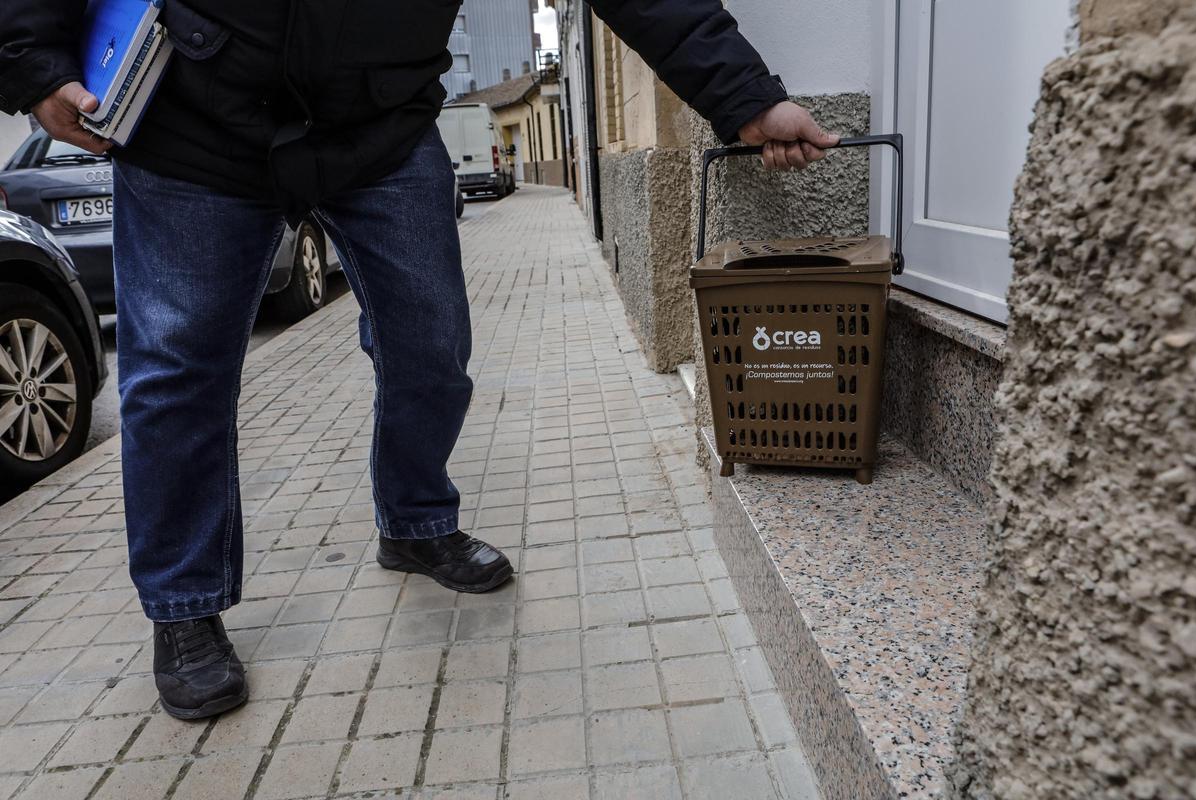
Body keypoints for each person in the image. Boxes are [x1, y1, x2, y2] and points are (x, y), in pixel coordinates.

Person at [0, 0, 839, 720]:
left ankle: (414, 522)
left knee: (433, 345)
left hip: (382, 127)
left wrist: (745, 99)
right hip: (197, 123)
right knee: (176, 376)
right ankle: (184, 606)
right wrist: (34, 61)